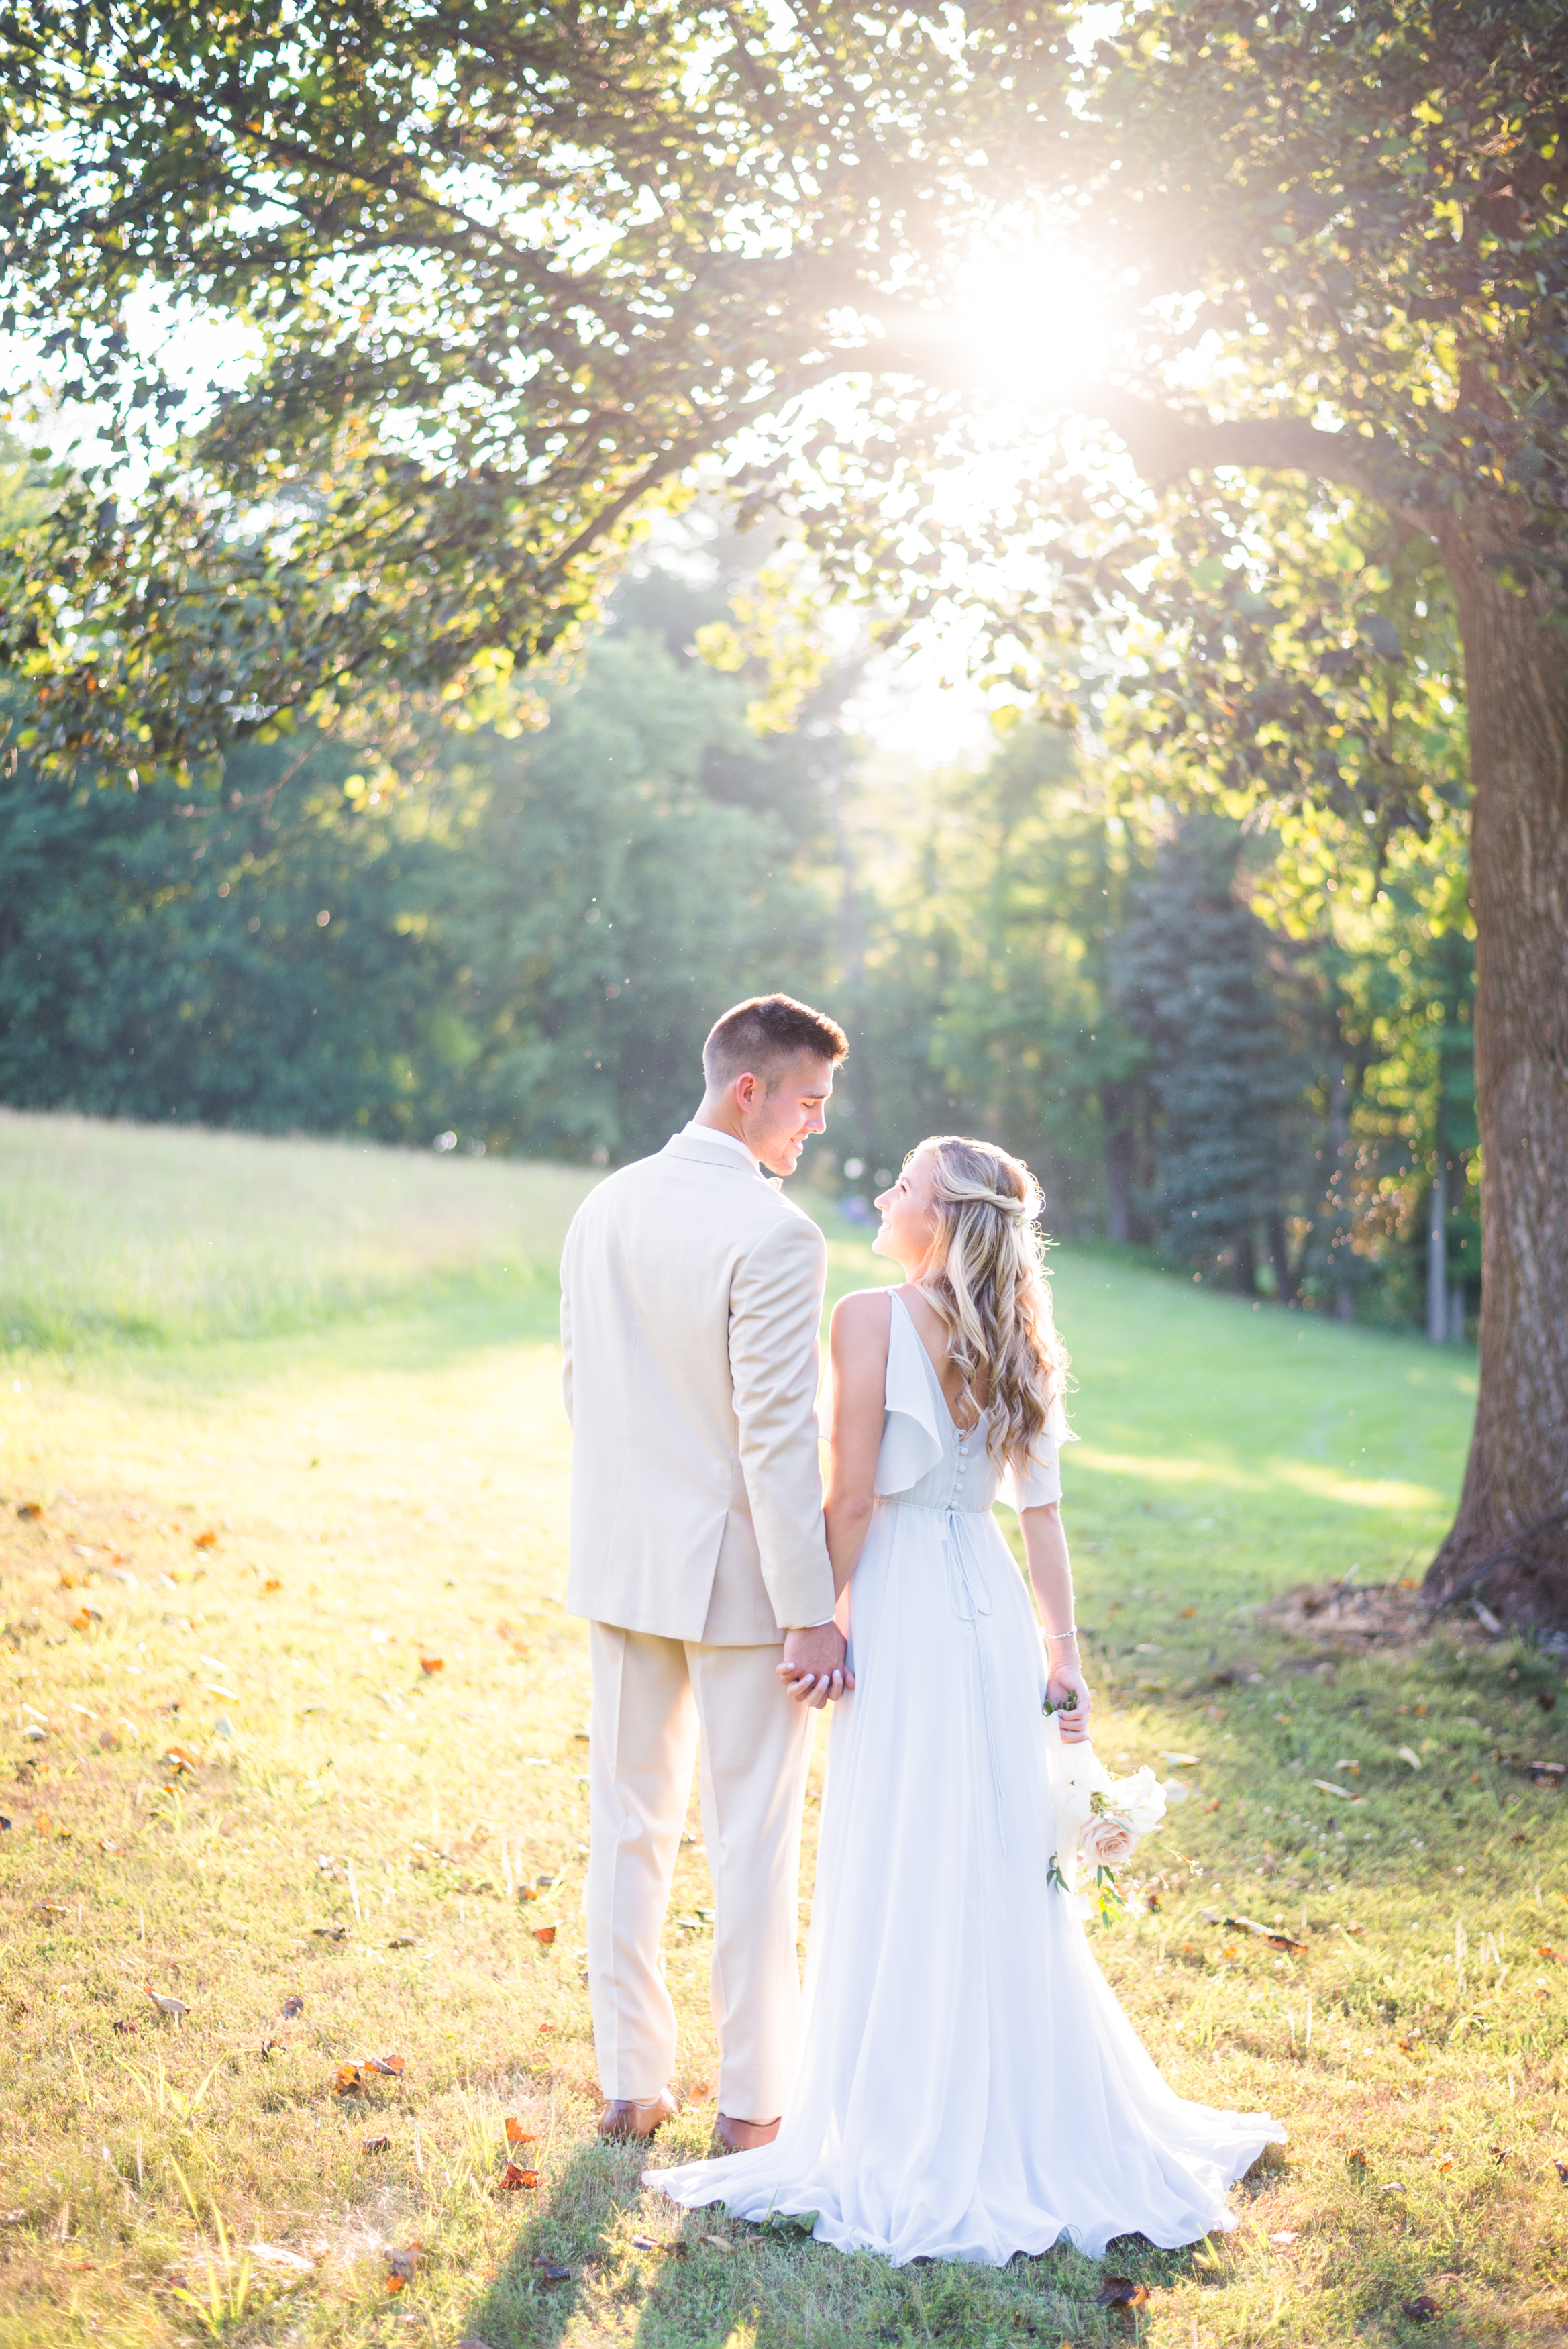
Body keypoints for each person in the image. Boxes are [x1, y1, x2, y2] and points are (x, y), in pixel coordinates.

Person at [646, 1134, 1283, 2262]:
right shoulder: (1025, 1337)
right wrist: (1062, 1653)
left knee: (902, 1849)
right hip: (989, 1615)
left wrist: (824, 1614)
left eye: (900, 1186)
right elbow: (1037, 1515)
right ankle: (1003, 2107)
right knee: (989, 1859)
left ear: (937, 1220)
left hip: (900, 1609)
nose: (883, 1198)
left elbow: (847, 1497)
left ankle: (906, 2118)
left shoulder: (867, 1318)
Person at [560, 993, 853, 2152]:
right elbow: (777, 1437)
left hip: (622, 1560)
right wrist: (809, 1610)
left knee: (627, 1824)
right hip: (738, 1585)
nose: (812, 1132)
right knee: (751, 1841)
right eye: (808, 1105)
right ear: (751, 1090)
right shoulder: (776, 1234)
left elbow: (580, 1384)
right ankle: (750, 2104)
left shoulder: (605, 1202)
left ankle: (631, 2084)